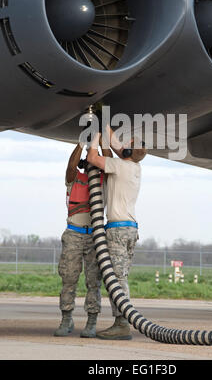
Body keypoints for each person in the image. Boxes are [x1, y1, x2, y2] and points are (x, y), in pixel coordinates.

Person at [86, 123, 146, 340]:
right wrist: (104, 122)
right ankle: (121, 320)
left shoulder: (120, 166)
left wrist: (95, 136)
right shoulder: (133, 167)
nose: (124, 144)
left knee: (116, 278)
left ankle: (122, 323)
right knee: (120, 275)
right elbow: (115, 147)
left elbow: (93, 157)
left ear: (129, 151)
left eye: (128, 144)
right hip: (130, 229)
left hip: (118, 230)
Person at [54, 143, 103, 338]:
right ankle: (67, 319)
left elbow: (108, 161)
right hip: (74, 234)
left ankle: (91, 322)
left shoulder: (102, 182)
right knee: (69, 279)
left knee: (94, 281)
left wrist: (101, 144)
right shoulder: (74, 179)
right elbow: (70, 166)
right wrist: (82, 143)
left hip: (94, 235)